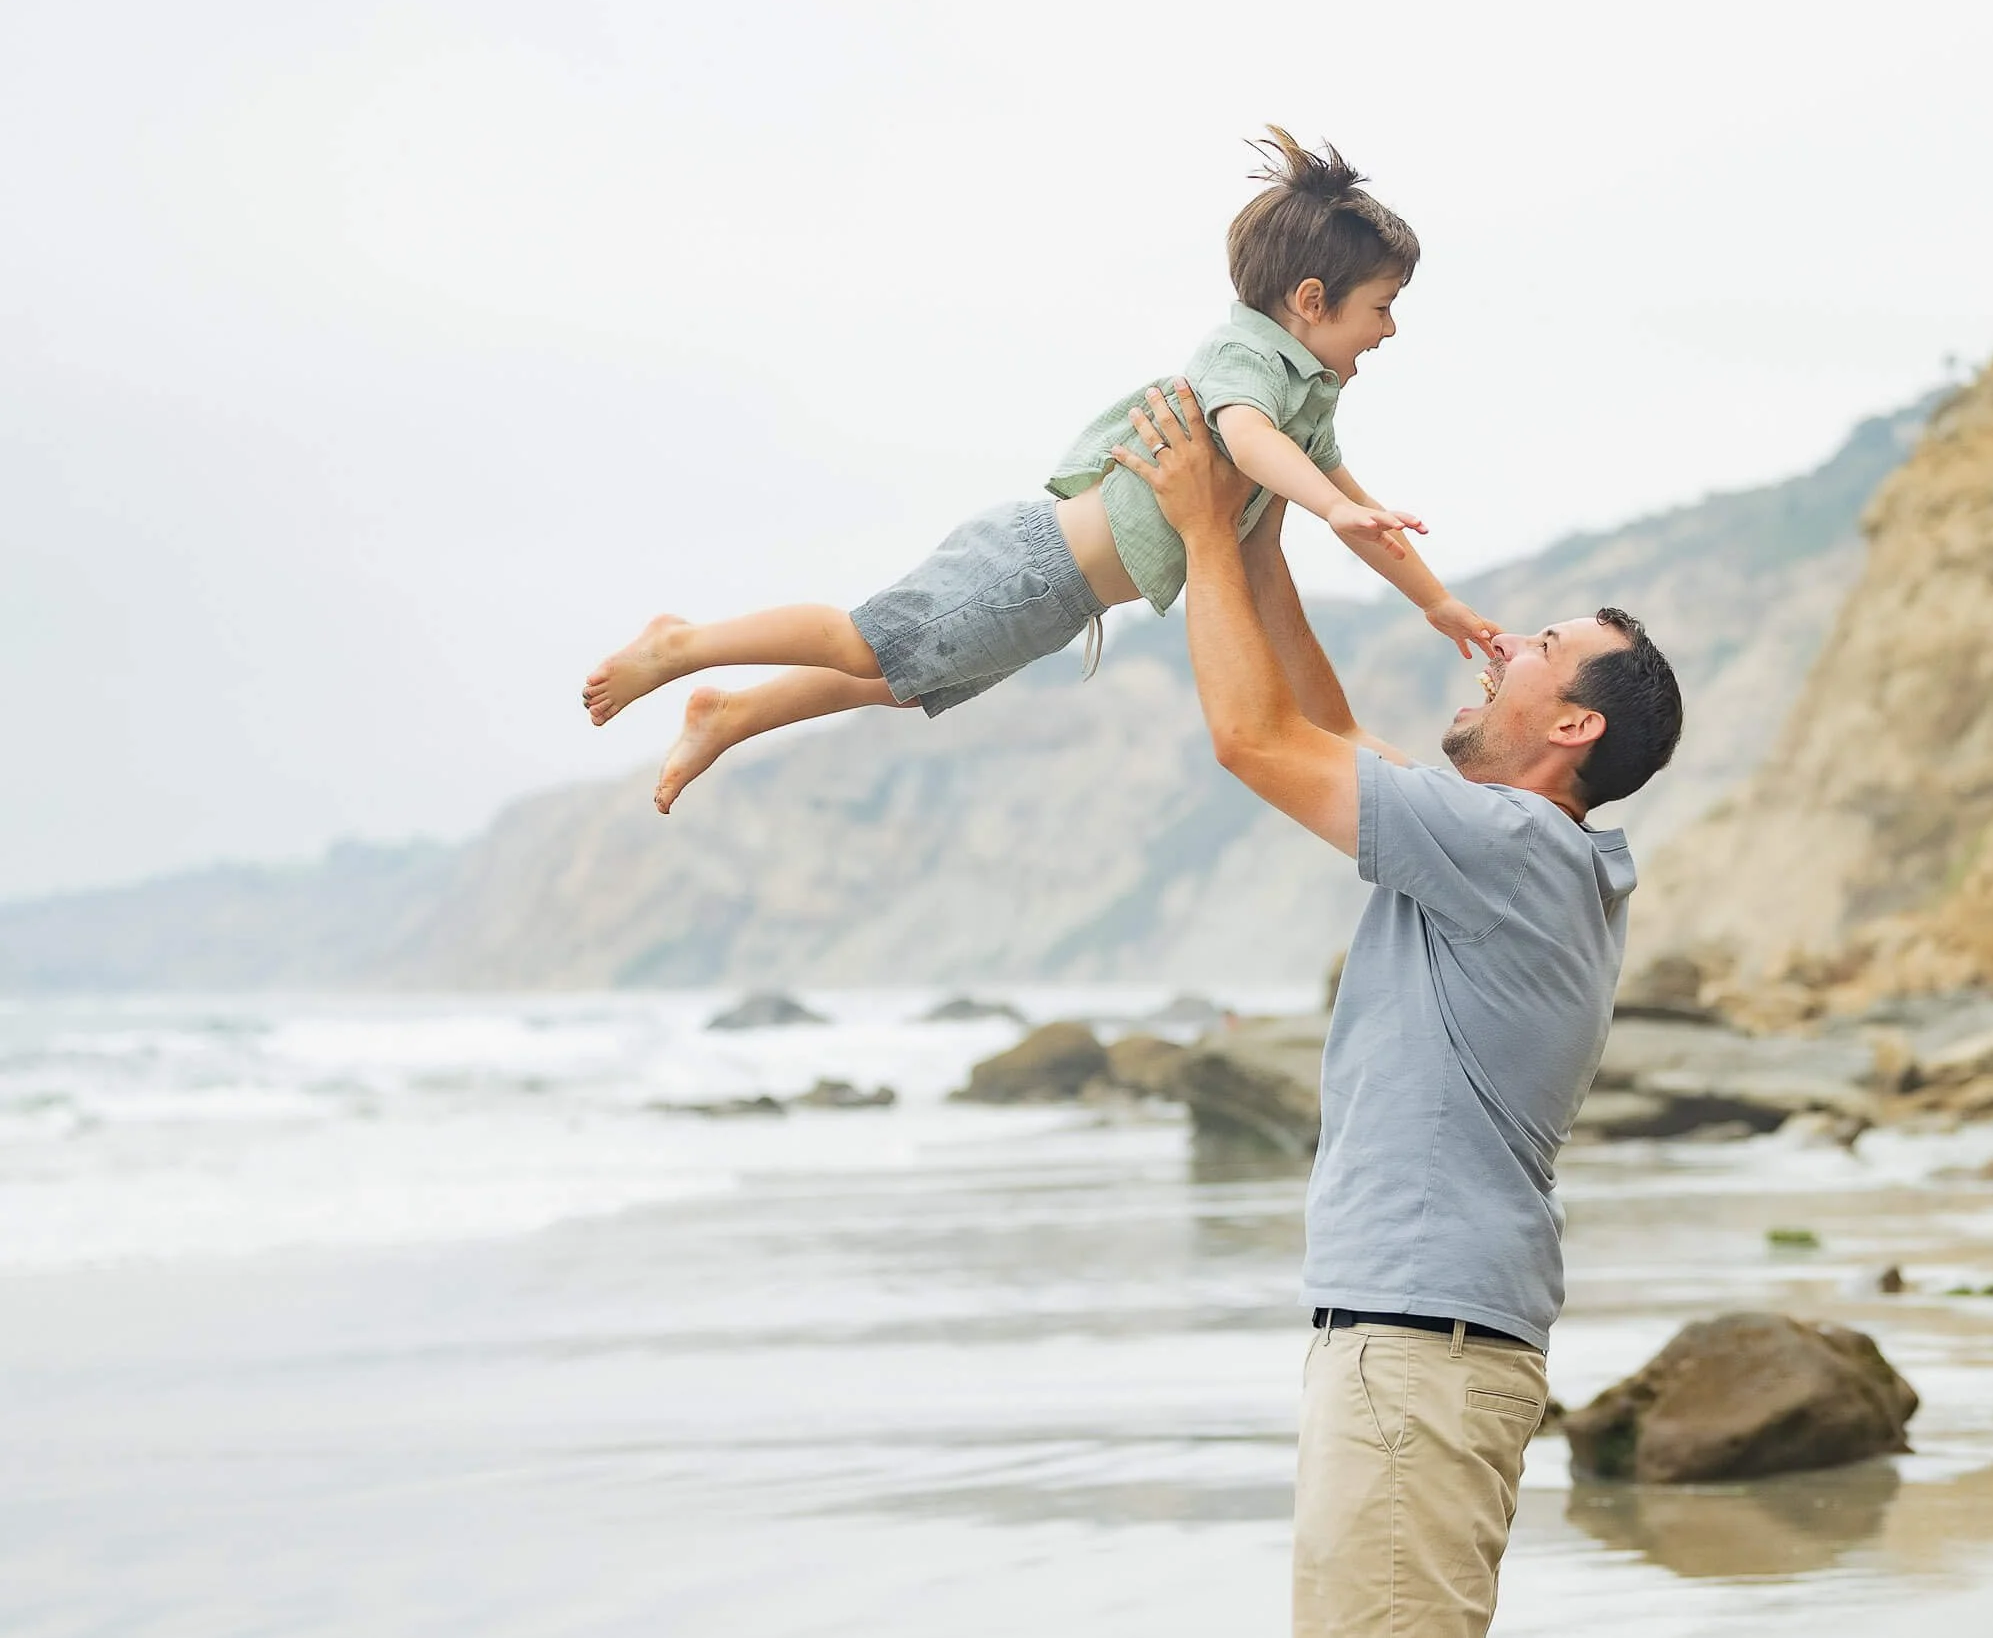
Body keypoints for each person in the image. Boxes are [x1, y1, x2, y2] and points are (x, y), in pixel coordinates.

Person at [1104, 382, 1683, 1636]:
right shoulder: (1521, 851)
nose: (1493, 649)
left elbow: (1256, 739)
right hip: (1428, 1341)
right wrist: (1260, 536)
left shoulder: (1513, 846)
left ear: (1573, 724)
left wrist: (1203, 531)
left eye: (1531, 648)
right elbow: (1325, 730)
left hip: (1421, 1344)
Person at [577, 128, 1500, 812]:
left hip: (1063, 602)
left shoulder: (1309, 395)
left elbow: (1360, 504)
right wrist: (1330, 512)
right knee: (863, 643)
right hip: (1031, 566)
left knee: (892, 679)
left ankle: (729, 712)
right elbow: (1250, 440)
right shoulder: (1247, 360)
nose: (1389, 330)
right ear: (1310, 301)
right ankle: (682, 645)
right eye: (1381, 308)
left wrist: (1436, 602)